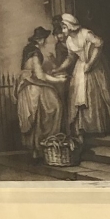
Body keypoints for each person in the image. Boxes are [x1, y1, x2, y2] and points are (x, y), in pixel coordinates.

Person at [57, 12, 110, 144]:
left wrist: (91, 63)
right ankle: (83, 128)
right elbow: (71, 57)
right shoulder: (68, 41)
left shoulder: (85, 33)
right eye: (62, 28)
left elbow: (99, 44)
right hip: (81, 68)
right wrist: (59, 69)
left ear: (71, 26)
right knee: (78, 97)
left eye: (64, 27)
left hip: (94, 67)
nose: (63, 30)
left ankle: (98, 128)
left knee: (93, 95)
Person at [13, 28, 67, 157]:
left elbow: (34, 71)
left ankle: (36, 149)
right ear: (40, 40)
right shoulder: (35, 53)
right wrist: (58, 80)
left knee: (39, 115)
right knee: (54, 107)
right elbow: (40, 76)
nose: (46, 41)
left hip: (26, 84)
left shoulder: (28, 49)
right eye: (45, 39)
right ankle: (43, 144)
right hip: (32, 87)